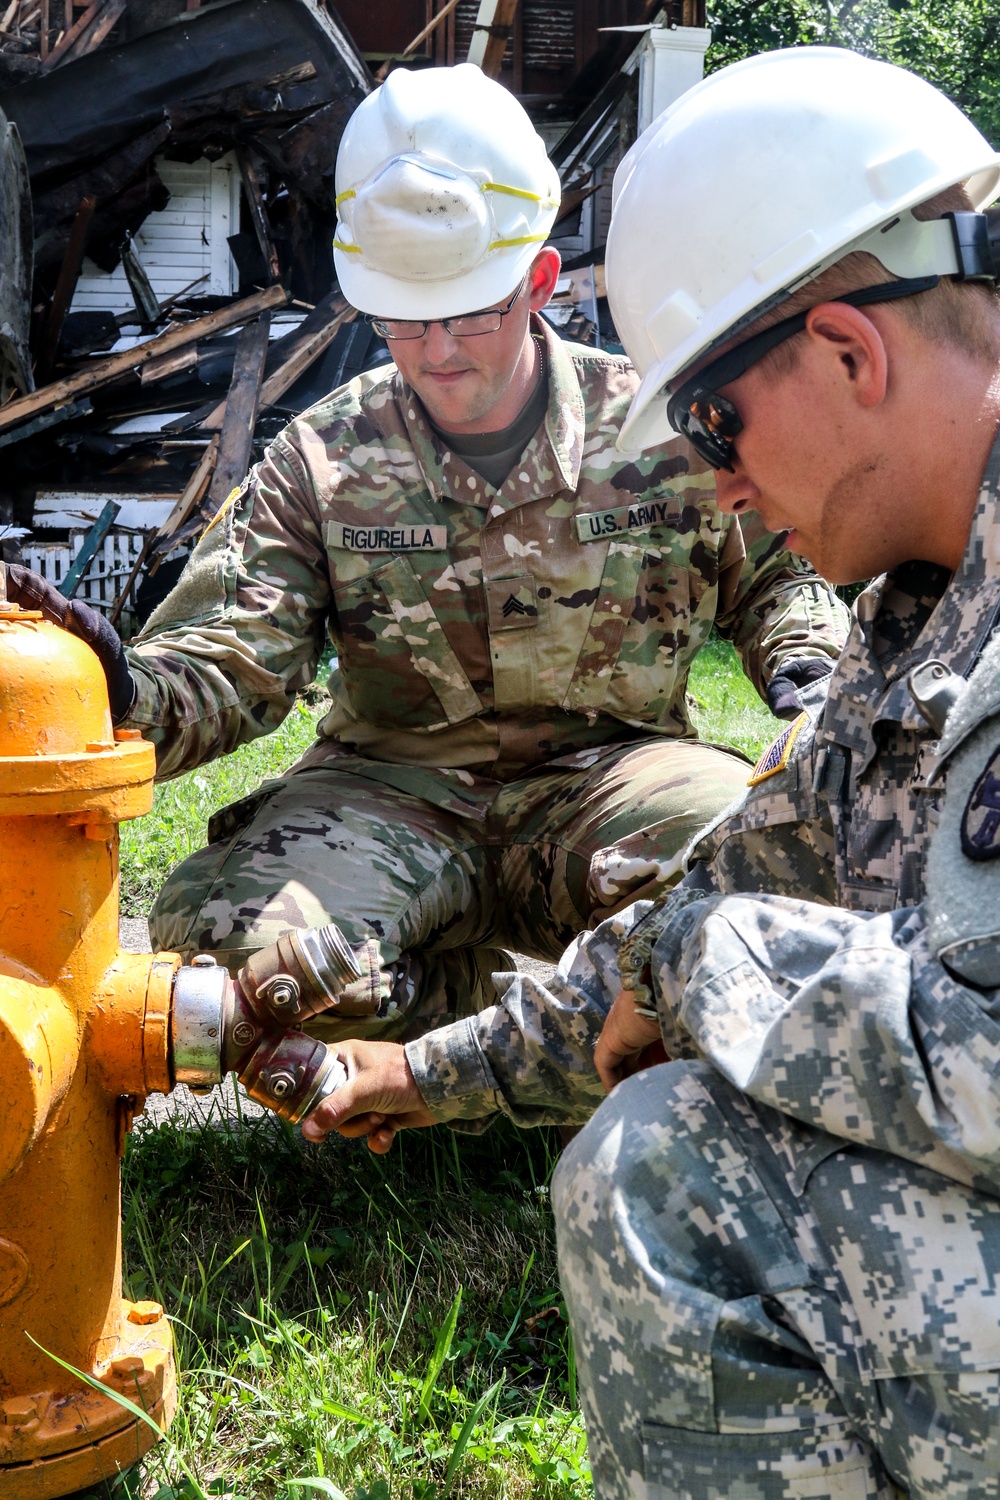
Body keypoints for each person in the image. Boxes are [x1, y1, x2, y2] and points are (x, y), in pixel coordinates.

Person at [302, 44, 1000, 1499]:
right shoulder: (926, 613)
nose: (718, 486)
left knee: (668, 1173)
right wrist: (416, 1079)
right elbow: (717, 898)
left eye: (714, 424)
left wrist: (703, 962)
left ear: (848, 352)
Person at [7, 63, 846, 1046]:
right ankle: (500, 1020)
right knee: (245, 943)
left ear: (537, 280)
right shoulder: (324, 457)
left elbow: (780, 577)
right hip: (387, 794)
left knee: (751, 875)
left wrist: (808, 666)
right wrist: (118, 683)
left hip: (615, 779)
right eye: (405, 317)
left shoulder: (657, 431)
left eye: (470, 312)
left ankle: (535, 1021)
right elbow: (231, 661)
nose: (438, 350)